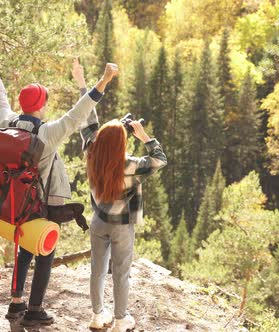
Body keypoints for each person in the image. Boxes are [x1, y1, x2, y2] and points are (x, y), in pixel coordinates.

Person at [0, 37, 119, 327]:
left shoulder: (6, 122)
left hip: (14, 200)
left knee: (23, 247)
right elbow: (78, 113)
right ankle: (35, 309)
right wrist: (104, 80)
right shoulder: (48, 133)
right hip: (42, 204)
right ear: (41, 105)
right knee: (43, 251)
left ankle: (16, 302)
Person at [77, 68, 167, 331]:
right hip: (122, 226)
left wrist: (83, 83)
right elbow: (160, 160)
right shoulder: (130, 165)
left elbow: (87, 117)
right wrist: (145, 137)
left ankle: (97, 316)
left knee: (97, 270)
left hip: (99, 221)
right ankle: (119, 319)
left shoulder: (92, 150)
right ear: (122, 144)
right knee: (121, 273)